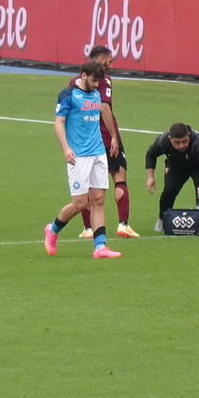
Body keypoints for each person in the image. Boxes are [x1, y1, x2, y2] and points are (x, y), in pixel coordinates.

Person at [43, 59, 122, 259]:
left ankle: (100, 247)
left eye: (99, 81)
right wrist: (66, 148)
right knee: (79, 203)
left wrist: (113, 137)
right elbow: (59, 123)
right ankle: (52, 230)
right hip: (79, 155)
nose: (97, 85)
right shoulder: (68, 94)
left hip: (97, 153)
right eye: (94, 80)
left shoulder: (96, 94)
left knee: (98, 200)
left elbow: (103, 115)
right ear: (84, 76)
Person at [74, 45, 139, 240]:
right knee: (119, 176)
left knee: (86, 184)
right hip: (103, 136)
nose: (111, 65)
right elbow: (104, 107)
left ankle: (88, 228)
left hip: (83, 140)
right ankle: (123, 224)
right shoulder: (103, 79)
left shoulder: (76, 80)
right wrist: (114, 137)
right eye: (109, 61)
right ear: (101, 60)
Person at [145, 122, 199, 232]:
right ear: (169, 138)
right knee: (169, 190)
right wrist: (150, 177)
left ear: (189, 135)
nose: (181, 145)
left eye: (184, 141)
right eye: (177, 142)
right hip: (176, 165)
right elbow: (150, 154)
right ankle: (162, 218)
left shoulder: (198, 143)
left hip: (198, 165)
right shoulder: (162, 141)